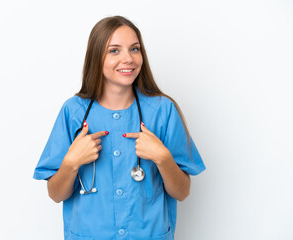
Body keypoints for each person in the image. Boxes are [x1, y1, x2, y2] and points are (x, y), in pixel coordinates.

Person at [33, 15, 206, 240]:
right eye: (114, 50)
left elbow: (182, 192)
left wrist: (162, 158)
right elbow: (56, 194)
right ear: (97, 57)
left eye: (134, 49)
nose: (128, 58)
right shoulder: (73, 111)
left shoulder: (163, 111)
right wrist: (71, 162)